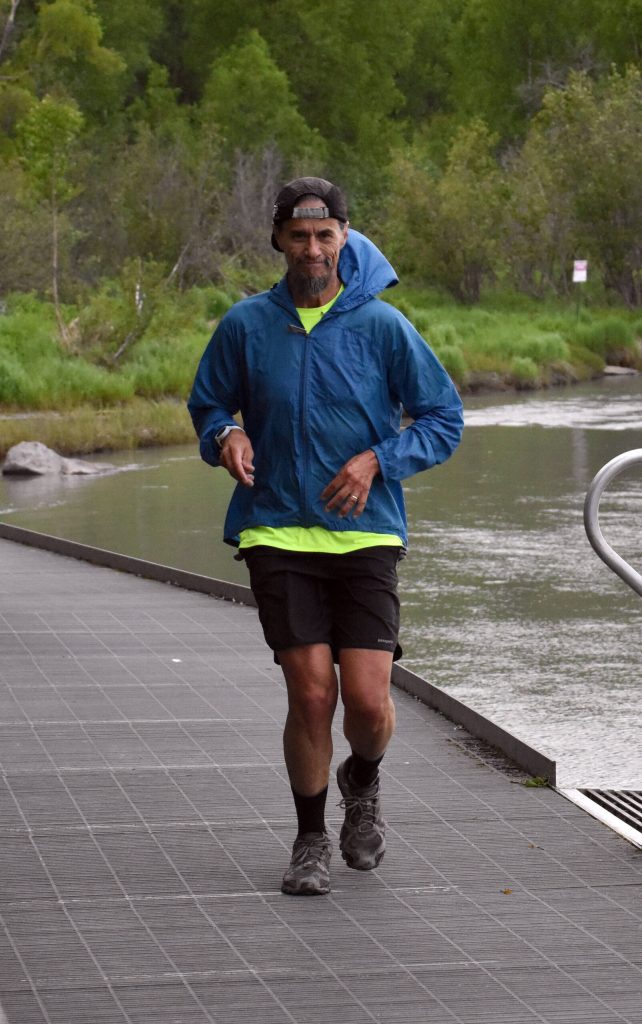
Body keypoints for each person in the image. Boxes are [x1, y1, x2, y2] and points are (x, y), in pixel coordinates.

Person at [188, 176, 463, 896]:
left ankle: (361, 779)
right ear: (278, 239)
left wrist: (379, 459)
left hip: (365, 531)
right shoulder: (246, 324)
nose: (312, 248)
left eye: (325, 235)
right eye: (299, 236)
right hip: (277, 528)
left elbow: (443, 419)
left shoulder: (381, 325)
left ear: (345, 237)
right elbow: (209, 403)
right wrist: (226, 435)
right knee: (311, 695)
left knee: (368, 703)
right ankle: (310, 841)